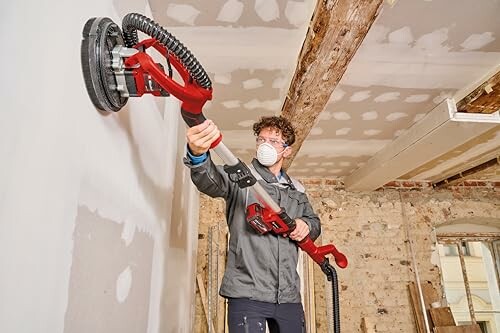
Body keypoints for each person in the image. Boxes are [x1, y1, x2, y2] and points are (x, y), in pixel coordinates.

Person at [184, 116, 321, 333]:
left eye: (274, 142)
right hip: (247, 292)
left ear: (286, 151)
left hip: (288, 296)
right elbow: (208, 180)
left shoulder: (297, 190)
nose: (265, 145)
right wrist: (198, 154)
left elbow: (314, 224)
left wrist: (305, 224)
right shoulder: (241, 177)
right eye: (261, 140)